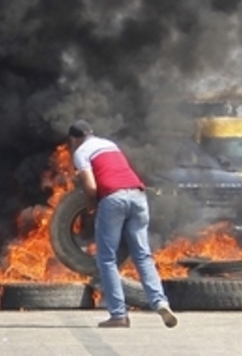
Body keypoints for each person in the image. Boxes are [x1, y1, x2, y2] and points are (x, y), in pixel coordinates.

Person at [67, 119, 177, 329]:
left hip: (114, 199)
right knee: (142, 255)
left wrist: (91, 205)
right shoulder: (109, 144)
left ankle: (118, 315)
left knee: (107, 259)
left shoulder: (81, 152)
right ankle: (160, 302)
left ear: (74, 139)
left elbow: (90, 186)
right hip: (138, 196)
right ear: (91, 133)